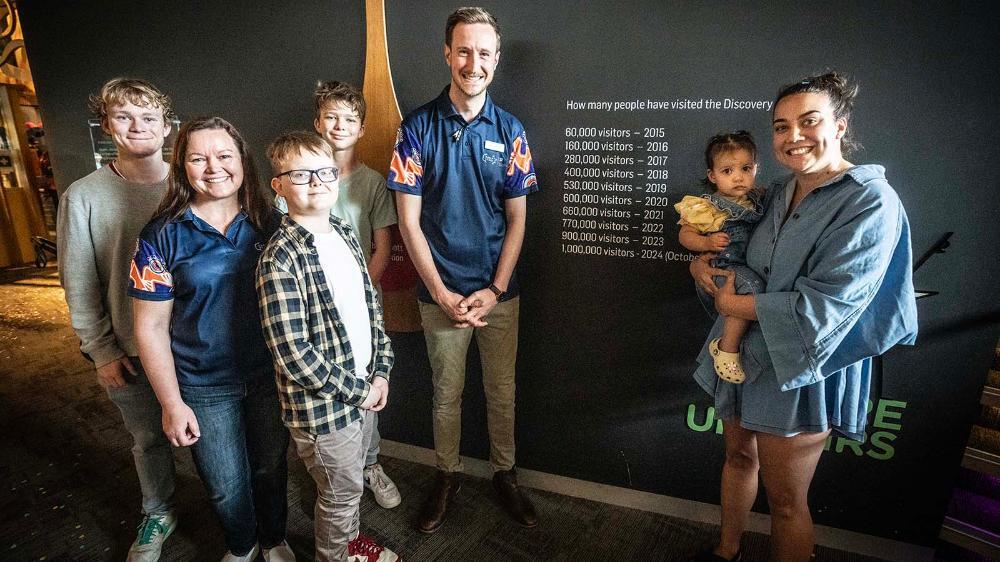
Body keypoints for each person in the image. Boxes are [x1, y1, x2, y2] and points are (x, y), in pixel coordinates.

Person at [690, 72, 918, 562]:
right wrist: (699, 263)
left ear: (839, 125)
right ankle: (725, 553)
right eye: (780, 126)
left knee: (788, 501)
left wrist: (732, 306)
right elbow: (733, 251)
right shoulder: (773, 193)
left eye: (809, 121)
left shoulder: (870, 201)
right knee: (736, 458)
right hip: (746, 354)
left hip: (802, 368)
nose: (793, 136)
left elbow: (828, 307)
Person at [388, 6, 540, 533]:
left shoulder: (512, 130)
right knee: (445, 395)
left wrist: (495, 290)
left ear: (496, 60)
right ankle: (446, 476)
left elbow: (518, 220)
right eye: (464, 50)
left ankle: (505, 474)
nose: (473, 62)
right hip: (440, 296)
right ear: (447, 54)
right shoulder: (416, 129)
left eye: (484, 52)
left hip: (500, 293)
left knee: (502, 392)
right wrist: (443, 293)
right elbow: (408, 223)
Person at [129, 117, 294, 562]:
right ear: (182, 167)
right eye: (198, 158)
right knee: (225, 485)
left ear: (242, 160)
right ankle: (242, 546)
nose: (213, 167)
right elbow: (150, 327)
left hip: (268, 376)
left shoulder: (272, 222)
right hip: (202, 384)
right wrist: (171, 402)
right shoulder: (161, 234)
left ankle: (275, 537)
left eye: (224, 155)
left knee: (270, 467)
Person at [259, 131, 399, 562]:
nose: (317, 181)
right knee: (339, 496)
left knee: (353, 482)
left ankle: (352, 547)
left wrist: (380, 370)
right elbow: (294, 355)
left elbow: (369, 306)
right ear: (278, 186)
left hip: (362, 389)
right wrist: (362, 391)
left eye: (324, 171)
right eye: (300, 174)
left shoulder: (341, 231)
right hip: (324, 410)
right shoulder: (279, 259)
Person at [57, 77, 179, 562]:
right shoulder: (83, 196)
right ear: (107, 124)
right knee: (148, 439)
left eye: (148, 117)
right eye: (124, 117)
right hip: (128, 347)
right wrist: (100, 349)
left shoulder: (190, 181)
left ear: (166, 127)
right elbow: (79, 281)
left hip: (195, 344)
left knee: (215, 438)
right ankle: (159, 510)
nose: (137, 127)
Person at [275, 81, 402, 509]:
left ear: (362, 128)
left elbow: (381, 247)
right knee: (333, 410)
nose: (340, 126)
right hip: (315, 315)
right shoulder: (296, 182)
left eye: (350, 119)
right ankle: (337, 475)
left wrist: (357, 292)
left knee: (369, 396)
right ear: (317, 124)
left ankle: (369, 464)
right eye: (331, 117)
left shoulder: (370, 184)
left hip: (361, 303)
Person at [675, 131, 764, 384]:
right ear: (712, 176)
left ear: (756, 169)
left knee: (749, 291)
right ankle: (727, 351)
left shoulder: (757, 199)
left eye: (745, 168)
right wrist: (706, 242)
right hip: (722, 267)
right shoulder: (708, 206)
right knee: (750, 289)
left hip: (743, 266)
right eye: (727, 171)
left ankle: (725, 343)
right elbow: (685, 235)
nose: (738, 177)